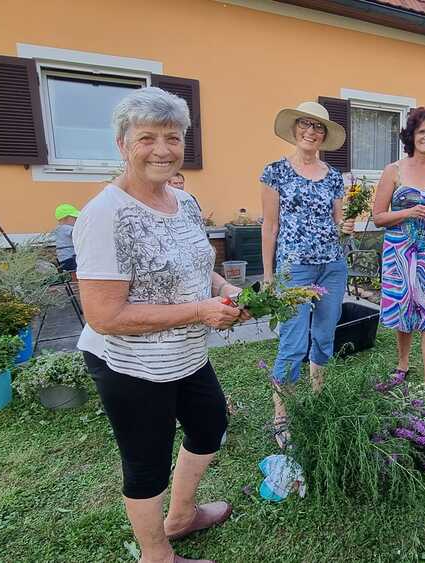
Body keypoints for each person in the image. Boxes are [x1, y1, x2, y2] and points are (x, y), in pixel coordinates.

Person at [74, 87, 250, 563]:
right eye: (146, 138)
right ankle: (157, 555)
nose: (162, 150)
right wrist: (198, 311)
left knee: (210, 425)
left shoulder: (184, 202)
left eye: (172, 137)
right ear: (122, 144)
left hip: (186, 354)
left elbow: (199, 267)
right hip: (131, 363)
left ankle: (182, 516)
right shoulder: (105, 216)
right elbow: (105, 316)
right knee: (146, 462)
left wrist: (226, 291)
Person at [260, 101, 354, 449]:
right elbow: (270, 226)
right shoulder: (275, 172)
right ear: (294, 129)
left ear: (324, 135)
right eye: (305, 124)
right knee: (293, 342)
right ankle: (281, 416)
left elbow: (338, 222)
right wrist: (269, 275)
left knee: (324, 336)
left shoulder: (334, 177)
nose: (311, 132)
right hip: (295, 268)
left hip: (332, 266)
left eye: (318, 127)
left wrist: (346, 227)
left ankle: (317, 399)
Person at [371, 107, 425, 391]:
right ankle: (402, 365)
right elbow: (378, 217)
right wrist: (408, 213)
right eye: (422, 131)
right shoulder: (393, 171)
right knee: (403, 311)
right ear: (412, 135)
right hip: (399, 253)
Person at [53, 203, 80, 272]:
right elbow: (78, 234)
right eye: (75, 218)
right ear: (66, 218)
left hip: (63, 260)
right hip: (70, 259)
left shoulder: (58, 229)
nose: (77, 220)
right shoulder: (66, 228)